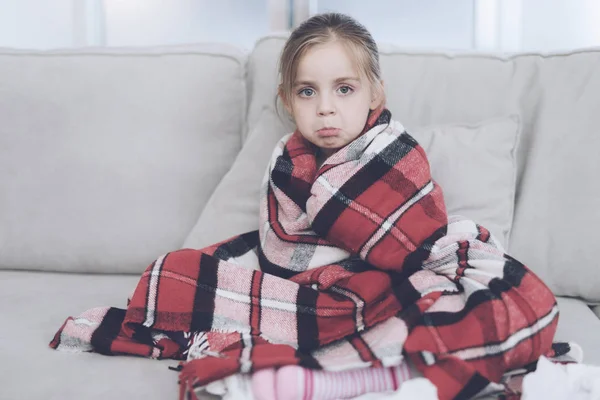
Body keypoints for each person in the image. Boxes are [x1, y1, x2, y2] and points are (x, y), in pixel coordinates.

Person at [51, 13, 561, 400]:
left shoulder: (393, 149)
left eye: (344, 89)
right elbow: (281, 248)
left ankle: (358, 374)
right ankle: (339, 366)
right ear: (287, 101)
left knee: (481, 300)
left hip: (393, 274)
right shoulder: (286, 162)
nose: (326, 108)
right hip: (310, 285)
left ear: (374, 92)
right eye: (307, 92)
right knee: (179, 272)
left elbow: (413, 232)